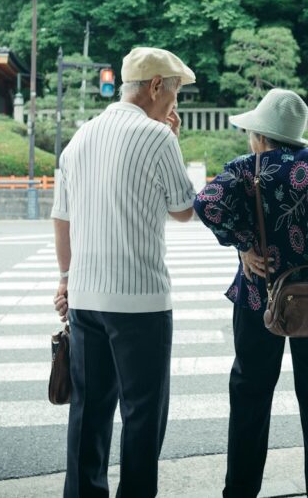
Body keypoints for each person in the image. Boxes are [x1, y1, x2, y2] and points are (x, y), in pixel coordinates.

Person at [193, 89, 308, 498]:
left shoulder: (246, 168)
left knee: (251, 396)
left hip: (259, 297)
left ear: (261, 136)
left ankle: (241, 492)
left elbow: (205, 204)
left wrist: (244, 244)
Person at [51, 47, 197, 497]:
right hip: (140, 302)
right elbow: (184, 209)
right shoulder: (158, 137)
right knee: (142, 414)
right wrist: (172, 139)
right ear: (156, 87)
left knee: (89, 412)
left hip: (86, 298)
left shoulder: (80, 137)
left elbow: (62, 217)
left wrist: (65, 280)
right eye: (175, 94)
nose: (176, 105)